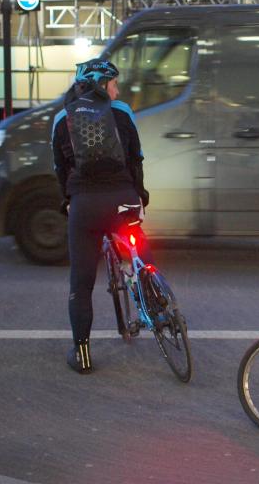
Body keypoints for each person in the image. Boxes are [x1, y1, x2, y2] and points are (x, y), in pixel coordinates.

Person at [51, 58, 150, 374]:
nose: (117, 90)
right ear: (101, 85)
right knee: (140, 254)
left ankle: (81, 354)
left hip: (86, 207)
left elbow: (60, 171)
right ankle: (155, 300)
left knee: (81, 282)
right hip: (124, 202)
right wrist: (140, 197)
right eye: (113, 84)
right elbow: (136, 159)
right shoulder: (121, 112)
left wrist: (69, 201)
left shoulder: (61, 119)